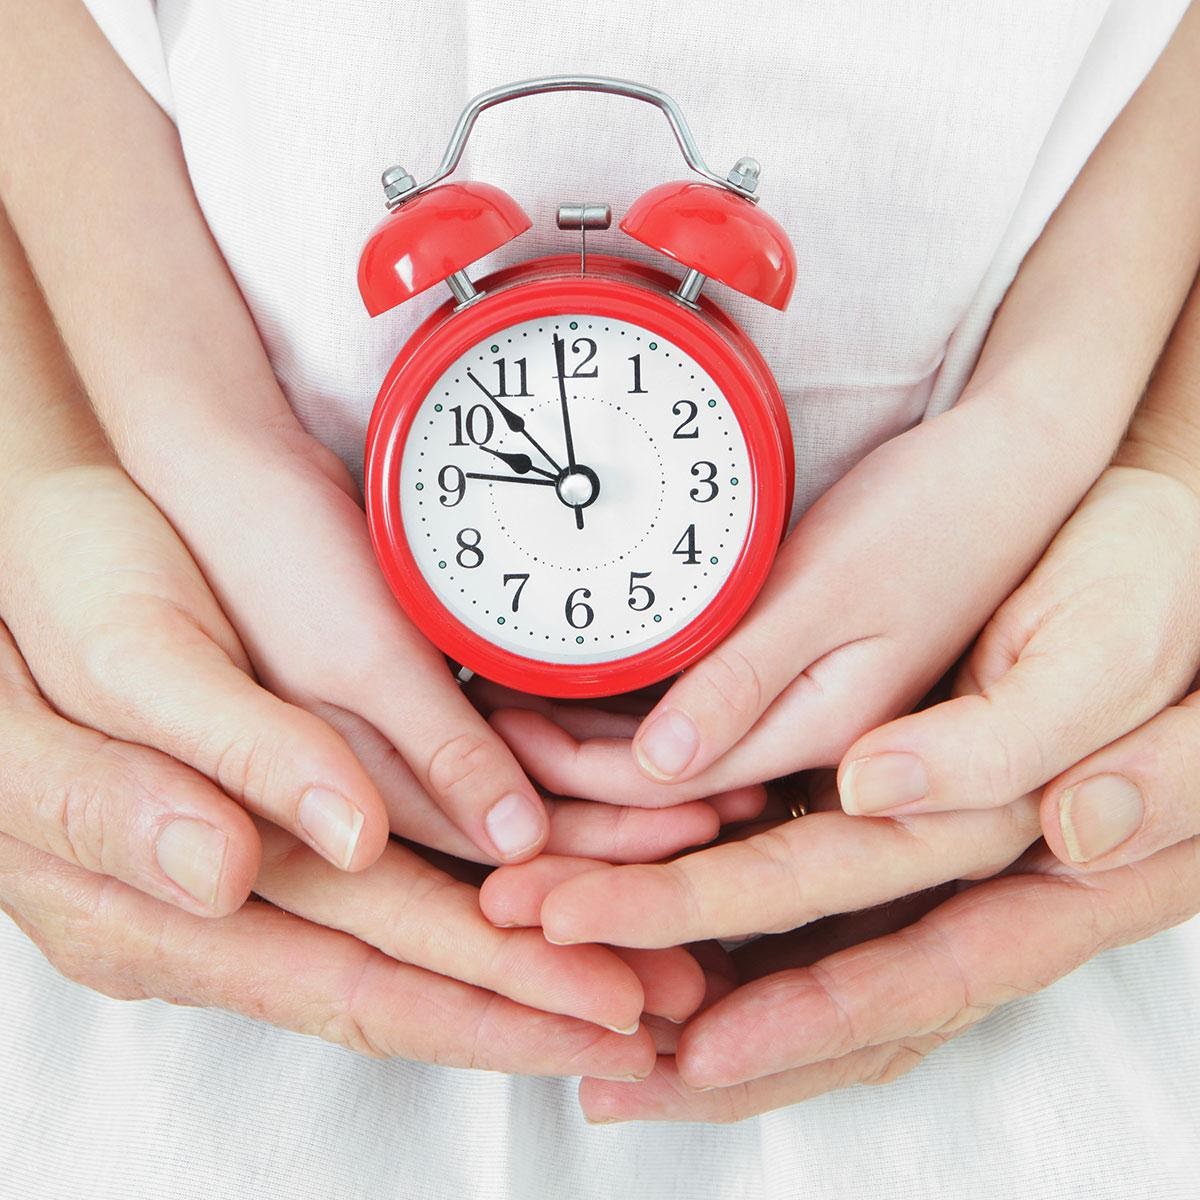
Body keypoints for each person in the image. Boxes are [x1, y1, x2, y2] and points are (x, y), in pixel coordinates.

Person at [0, 0, 1198, 1195]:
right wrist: (63, 449)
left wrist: (1153, 448)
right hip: (233, 796)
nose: (577, 485)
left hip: (1004, 825)